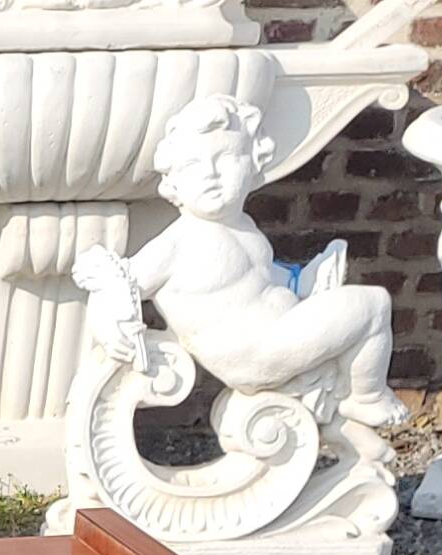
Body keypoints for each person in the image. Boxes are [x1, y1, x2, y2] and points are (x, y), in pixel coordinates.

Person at [81, 97, 398, 429]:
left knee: (353, 307)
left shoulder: (243, 226)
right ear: (173, 181)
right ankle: (367, 398)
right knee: (373, 305)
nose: (212, 174)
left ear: (255, 163)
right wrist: (108, 322)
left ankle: (350, 398)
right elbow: (118, 284)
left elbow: (258, 278)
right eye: (193, 165)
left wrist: (305, 281)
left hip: (279, 332)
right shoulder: (177, 243)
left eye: (227, 158)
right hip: (256, 353)